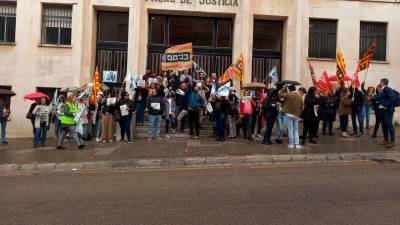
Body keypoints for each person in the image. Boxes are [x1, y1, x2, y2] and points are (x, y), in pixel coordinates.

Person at [373, 78, 396, 148]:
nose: (380, 82)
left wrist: (386, 105)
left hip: (388, 110)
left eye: (380, 81)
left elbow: (393, 97)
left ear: (382, 82)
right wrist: (372, 98)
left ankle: (392, 142)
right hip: (382, 110)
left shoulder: (387, 88)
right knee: (384, 125)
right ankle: (386, 140)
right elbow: (379, 98)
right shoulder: (382, 90)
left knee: (389, 125)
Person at [281, 85, 304, 150]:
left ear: (290, 89)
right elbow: (302, 107)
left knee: (290, 130)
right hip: (297, 115)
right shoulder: (300, 97)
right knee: (296, 130)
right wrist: (300, 114)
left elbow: (280, 94)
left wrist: (283, 88)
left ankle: (291, 144)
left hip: (289, 114)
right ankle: (297, 144)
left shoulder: (289, 94)